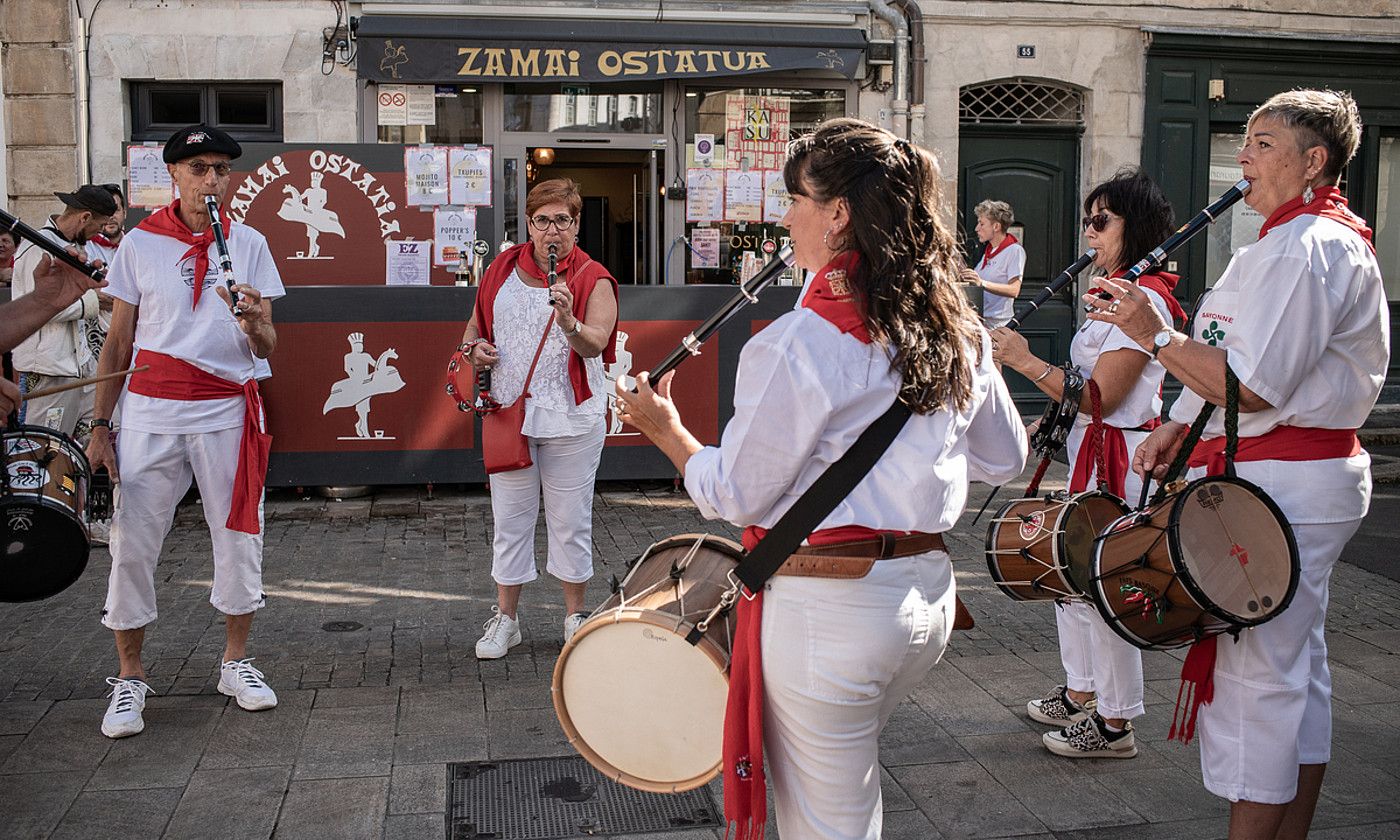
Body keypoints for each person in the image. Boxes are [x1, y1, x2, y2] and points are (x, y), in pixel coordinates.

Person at [615, 118, 1027, 840]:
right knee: (839, 802)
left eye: (795, 198)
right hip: (922, 600)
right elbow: (1006, 461)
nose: (786, 215)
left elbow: (736, 495)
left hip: (830, 613)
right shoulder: (954, 326)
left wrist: (668, 434)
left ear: (839, 214)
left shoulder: (799, 342)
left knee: (827, 825)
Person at [1096, 90, 1387, 840]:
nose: (1243, 159)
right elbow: (1233, 357)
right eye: (1247, 142)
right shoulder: (1287, 243)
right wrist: (1179, 428)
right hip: (1276, 473)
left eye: (1262, 144)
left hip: (1284, 482)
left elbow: (1254, 385)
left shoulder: (1308, 246)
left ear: (1313, 160)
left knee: (1260, 676)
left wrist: (1153, 335)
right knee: (1294, 664)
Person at [85, 124, 286, 739]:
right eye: (198, 168)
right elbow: (119, 341)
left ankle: (235, 662)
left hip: (224, 407)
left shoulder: (248, 244)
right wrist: (99, 424)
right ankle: (129, 675)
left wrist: (254, 322)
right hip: (150, 409)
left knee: (238, 535)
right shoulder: (140, 244)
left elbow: (270, 342)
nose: (211, 180)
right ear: (173, 175)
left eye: (220, 169)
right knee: (133, 542)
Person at [990, 167, 1182, 759]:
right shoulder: (1115, 291)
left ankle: (1117, 721)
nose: (1089, 234)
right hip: (1089, 450)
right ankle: (1081, 690)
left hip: (1122, 456)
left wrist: (1024, 362)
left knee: (1107, 580)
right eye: (1087, 221)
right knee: (1071, 576)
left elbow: (1104, 397)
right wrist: (1047, 419)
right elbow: (1080, 395)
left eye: (1102, 222)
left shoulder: (1142, 300)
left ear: (1137, 227)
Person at [459, 178, 619, 659]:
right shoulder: (501, 268)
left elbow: (596, 342)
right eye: (543, 220)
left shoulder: (594, 277)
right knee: (510, 520)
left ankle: (574, 616)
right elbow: (474, 325)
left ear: (576, 225)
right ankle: (506, 620)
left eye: (563, 221)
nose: (553, 230)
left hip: (571, 416)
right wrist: (475, 350)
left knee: (570, 521)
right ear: (528, 224)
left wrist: (569, 321)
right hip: (510, 415)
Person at [10, 185, 115, 441]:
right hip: (49, 369)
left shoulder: (74, 246)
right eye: (99, 226)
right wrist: (95, 300)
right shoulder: (38, 247)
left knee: (87, 444)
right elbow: (35, 306)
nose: (97, 234)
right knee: (45, 448)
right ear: (85, 217)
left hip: (80, 367)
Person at [961, 199, 1026, 329]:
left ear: (996, 226)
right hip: (980, 323)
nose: (977, 229)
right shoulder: (988, 252)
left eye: (981, 224)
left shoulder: (1014, 251)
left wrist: (982, 283)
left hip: (998, 326)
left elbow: (1014, 290)